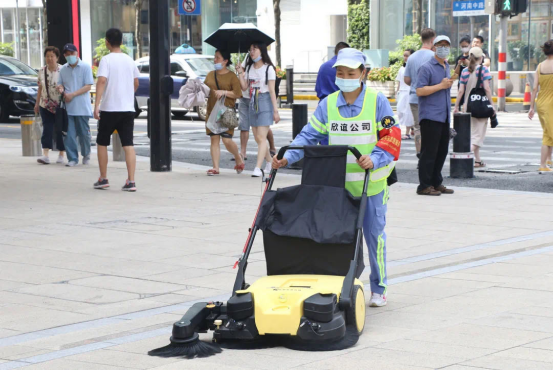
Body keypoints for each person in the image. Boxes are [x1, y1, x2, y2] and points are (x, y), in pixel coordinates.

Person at [272, 48, 401, 308]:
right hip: (338, 186)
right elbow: (309, 136)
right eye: (340, 73)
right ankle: (341, 283)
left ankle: (379, 287)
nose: (344, 77)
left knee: (374, 235)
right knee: (338, 236)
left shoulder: (377, 101)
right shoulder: (328, 104)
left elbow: (391, 136)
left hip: (371, 184)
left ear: (363, 74)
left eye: (350, 73)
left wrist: (374, 158)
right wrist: (288, 157)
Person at [93, 28, 140, 192]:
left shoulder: (106, 60)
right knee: (128, 144)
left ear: (107, 42)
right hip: (127, 109)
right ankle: (131, 181)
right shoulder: (129, 60)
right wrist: (127, 95)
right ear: (121, 41)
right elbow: (136, 83)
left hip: (109, 108)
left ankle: (103, 178)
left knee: (102, 142)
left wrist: (96, 104)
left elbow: (101, 82)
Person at [416, 35, 455, 196]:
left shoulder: (446, 66)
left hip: (444, 115)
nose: (443, 48)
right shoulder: (426, 67)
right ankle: (424, 185)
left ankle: (436, 182)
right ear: (433, 47)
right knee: (429, 152)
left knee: (441, 151)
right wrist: (440, 85)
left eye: (447, 45)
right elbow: (420, 90)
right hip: (430, 115)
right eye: (440, 45)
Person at [236, 42, 281, 178]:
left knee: (261, 137)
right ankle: (269, 161)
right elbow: (244, 87)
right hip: (252, 101)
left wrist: (275, 110)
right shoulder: (249, 68)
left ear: (261, 51)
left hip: (265, 101)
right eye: (250, 50)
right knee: (258, 138)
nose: (252, 52)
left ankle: (257, 168)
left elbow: (272, 91)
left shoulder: (269, 69)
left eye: (254, 49)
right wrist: (240, 73)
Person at [203, 50, 245, 176]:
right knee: (214, 140)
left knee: (227, 140)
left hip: (226, 111)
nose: (215, 60)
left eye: (218, 57)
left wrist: (224, 92)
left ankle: (238, 156)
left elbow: (238, 94)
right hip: (211, 111)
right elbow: (205, 91)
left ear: (225, 61)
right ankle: (215, 168)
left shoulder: (232, 76)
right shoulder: (210, 75)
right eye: (214, 57)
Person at [454, 47, 495, 168]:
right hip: (480, 106)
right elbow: (487, 88)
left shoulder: (465, 71)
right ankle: (462, 156)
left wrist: (456, 106)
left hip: (468, 106)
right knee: (478, 136)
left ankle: (477, 161)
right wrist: (492, 105)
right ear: (481, 58)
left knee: (473, 133)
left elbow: (460, 91)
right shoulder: (484, 70)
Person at [57, 44, 94, 167]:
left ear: (77, 53)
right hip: (68, 108)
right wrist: (61, 89)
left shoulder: (85, 67)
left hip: (82, 107)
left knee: (84, 134)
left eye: (71, 53)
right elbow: (60, 84)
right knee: (70, 135)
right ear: (64, 55)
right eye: (67, 54)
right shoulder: (63, 69)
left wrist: (72, 94)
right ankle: (72, 158)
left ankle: (86, 154)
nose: (69, 56)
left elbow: (88, 86)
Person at [405, 28, 437, 158]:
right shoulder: (434, 57)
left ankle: (420, 153)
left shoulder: (411, 57)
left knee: (418, 127)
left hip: (414, 97)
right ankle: (429, 154)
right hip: (431, 98)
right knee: (431, 127)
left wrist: (415, 85)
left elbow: (406, 79)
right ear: (433, 40)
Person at [35, 46, 66, 165]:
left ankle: (61, 153)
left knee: (59, 129)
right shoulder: (41, 71)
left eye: (52, 56)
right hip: (45, 104)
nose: (49, 58)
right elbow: (40, 88)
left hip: (59, 105)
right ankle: (45, 154)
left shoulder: (63, 70)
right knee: (47, 129)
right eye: (47, 56)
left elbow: (67, 85)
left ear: (57, 57)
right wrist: (37, 103)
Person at [529, 40, 553, 173]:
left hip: (541, 103)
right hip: (551, 104)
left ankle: (544, 163)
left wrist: (531, 107)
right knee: (550, 133)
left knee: (547, 133)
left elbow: (534, 88)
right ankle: (544, 163)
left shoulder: (539, 66)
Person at [396, 49, 415, 139]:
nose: (405, 57)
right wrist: (397, 91)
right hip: (402, 92)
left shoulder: (414, 67)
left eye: (407, 55)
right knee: (400, 111)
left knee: (408, 112)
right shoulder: (401, 68)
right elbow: (399, 81)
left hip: (410, 92)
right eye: (404, 55)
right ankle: (412, 128)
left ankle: (407, 132)